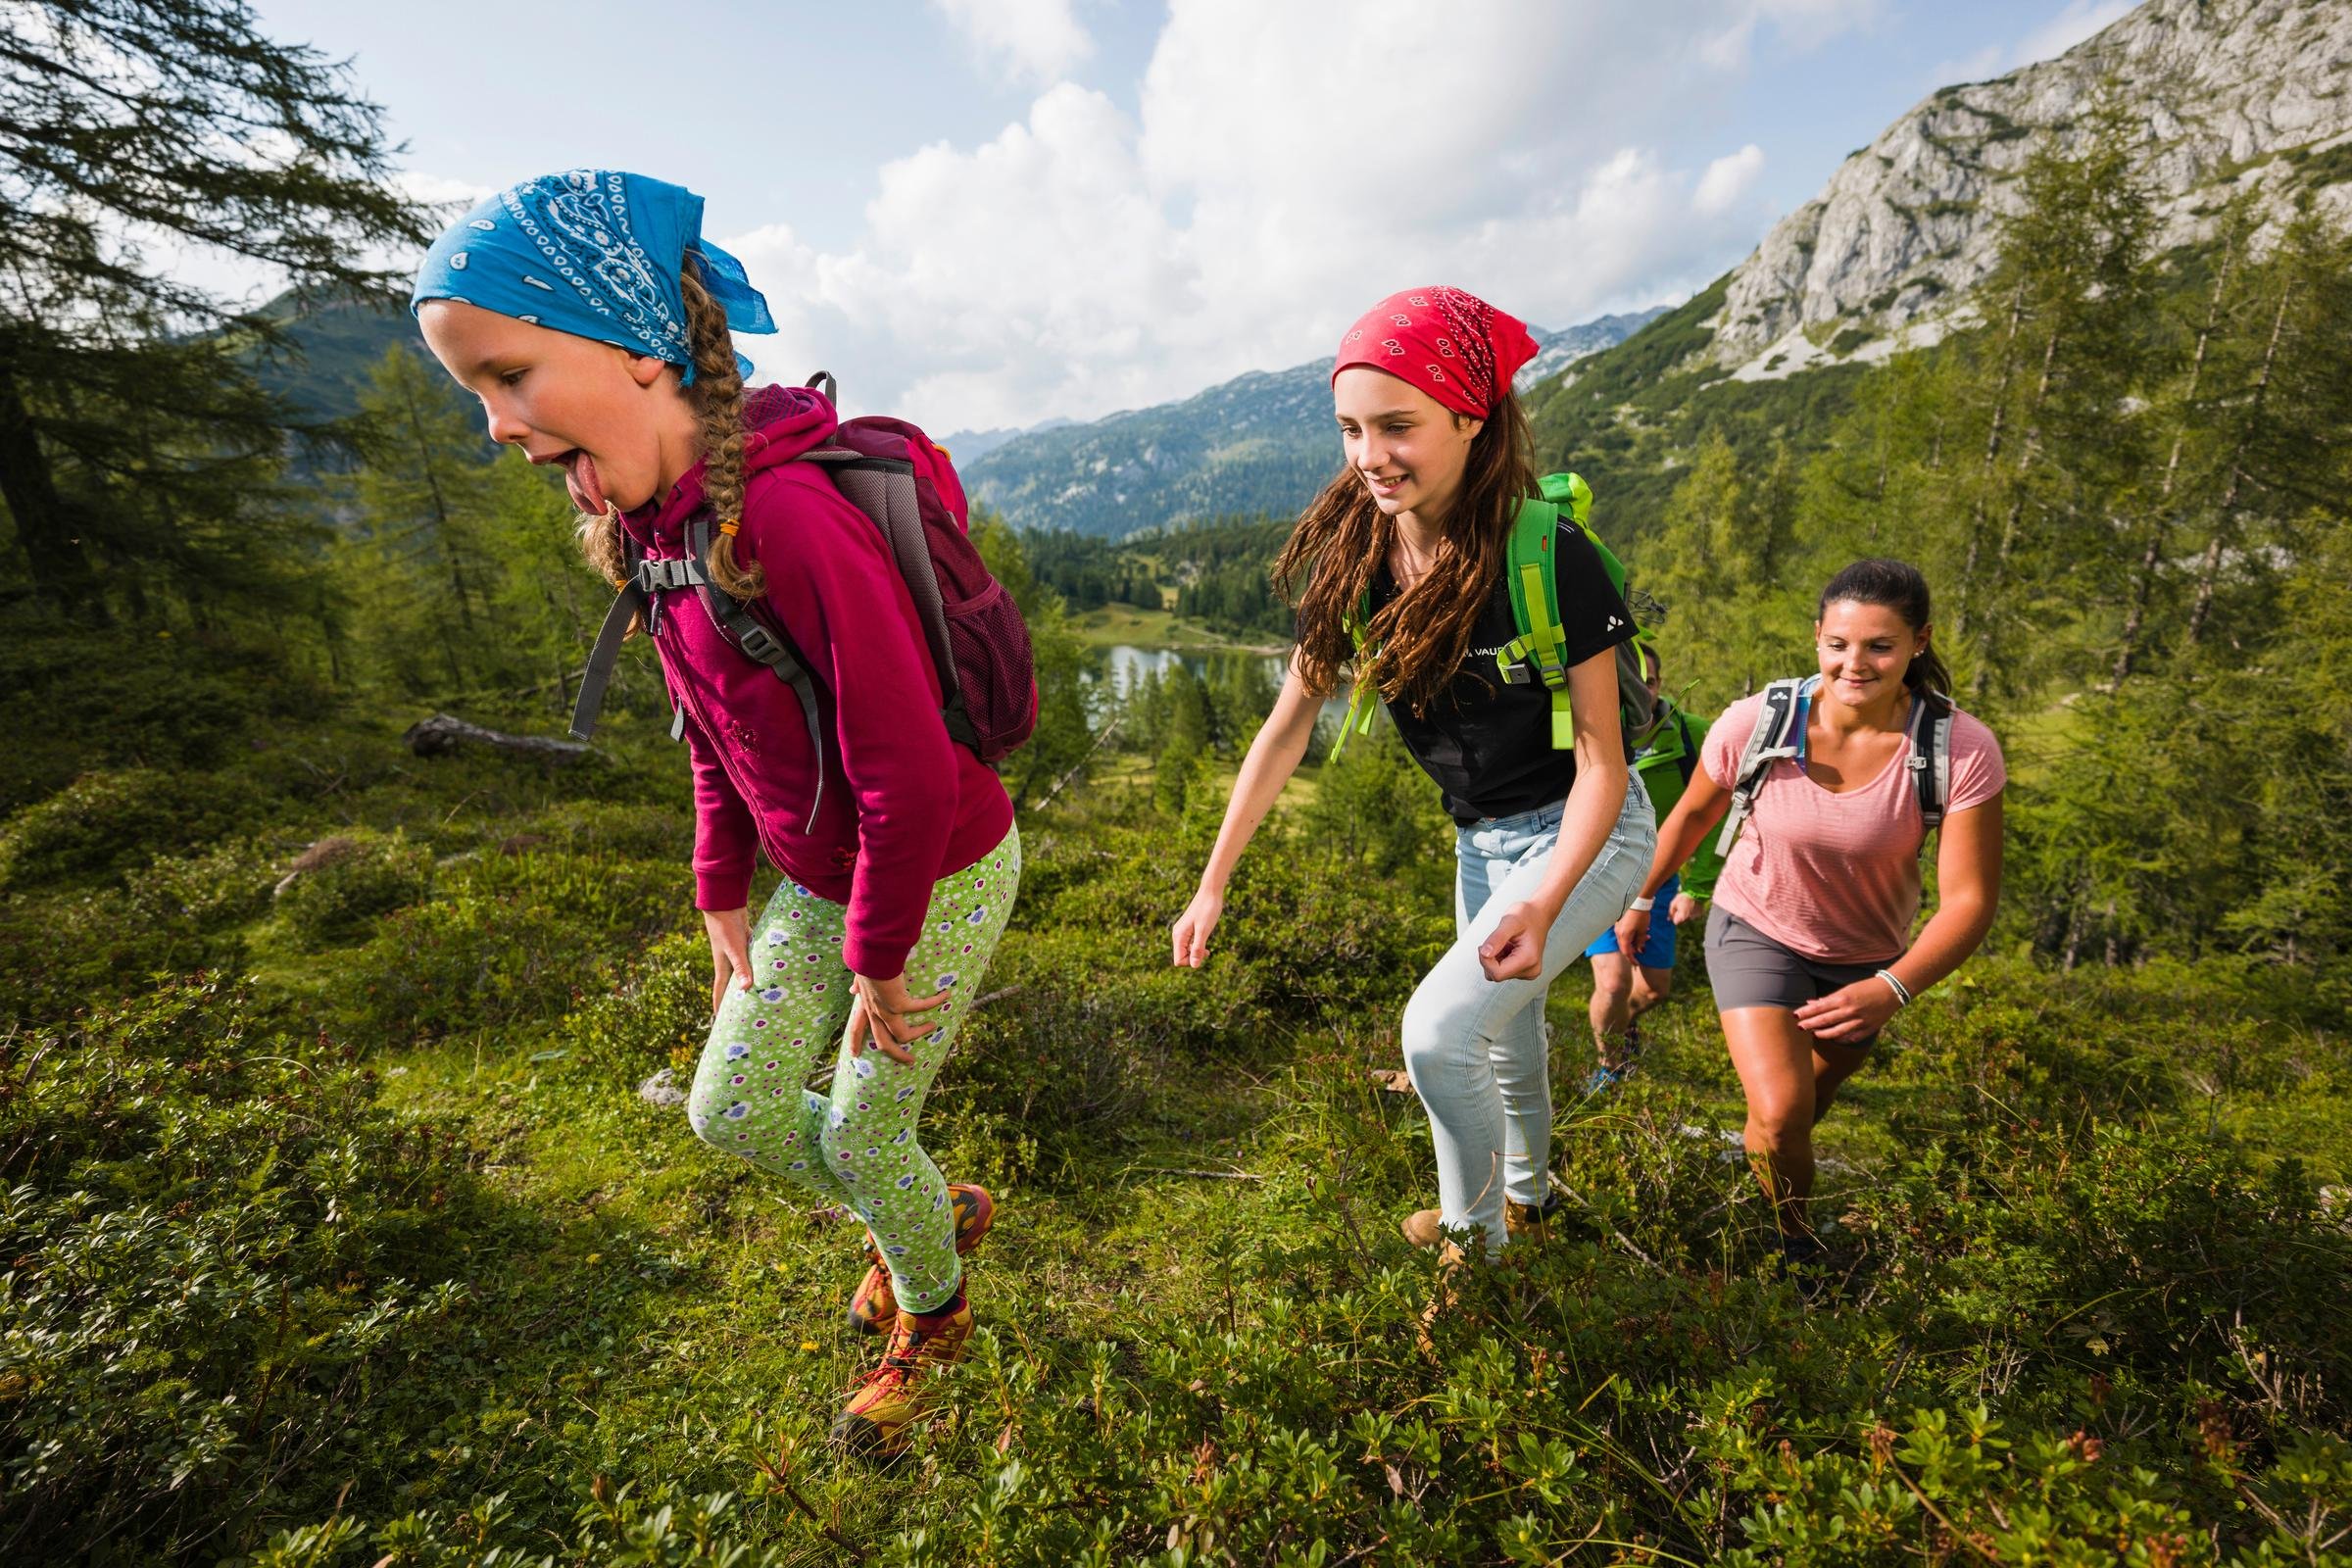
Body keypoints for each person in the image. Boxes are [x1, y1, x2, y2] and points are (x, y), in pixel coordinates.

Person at [410, 171, 1018, 1455]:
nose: (498, 428)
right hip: (822, 880)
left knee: (861, 1124)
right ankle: (921, 1207)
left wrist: (875, 958)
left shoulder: (787, 519)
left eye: (509, 377)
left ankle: (935, 1310)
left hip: (938, 869)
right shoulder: (652, 535)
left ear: (640, 348)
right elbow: (710, 728)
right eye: (476, 395)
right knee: (726, 1110)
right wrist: (718, 884)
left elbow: (903, 768)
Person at [1170, 285, 1654, 1261]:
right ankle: (1525, 1201)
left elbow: (1605, 763)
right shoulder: (1358, 558)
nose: (1369, 455)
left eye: (1398, 426)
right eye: (1350, 428)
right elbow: (1285, 729)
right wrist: (1213, 882)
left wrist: (1550, 892)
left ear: (1470, 418)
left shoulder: (1548, 556)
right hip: (1483, 841)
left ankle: (1472, 1255)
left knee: (1436, 1037)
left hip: (1586, 832)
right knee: (1504, 1043)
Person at [1615, 559, 2003, 1262]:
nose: (1855, 664)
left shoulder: (1957, 748)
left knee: (1800, 1113)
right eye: (1838, 645)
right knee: (1784, 1109)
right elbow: (1692, 816)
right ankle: (1793, 1249)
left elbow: (1970, 900)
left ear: (1920, 642)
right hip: (1754, 928)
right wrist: (1643, 895)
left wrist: (1892, 988)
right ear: (1818, 638)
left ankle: (1761, 1170)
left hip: (1867, 961)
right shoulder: (1758, 722)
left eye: (1880, 646)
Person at [1581, 644, 1722, 1091]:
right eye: (1631, 681)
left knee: (1655, 988)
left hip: (1658, 877)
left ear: (1661, 684)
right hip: (1598, 872)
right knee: (1614, 982)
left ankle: (1622, 1027)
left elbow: (1721, 813)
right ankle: (1610, 1072)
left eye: (1651, 681)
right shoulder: (1587, 729)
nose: (1640, 692)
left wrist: (1698, 887)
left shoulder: (1694, 735)